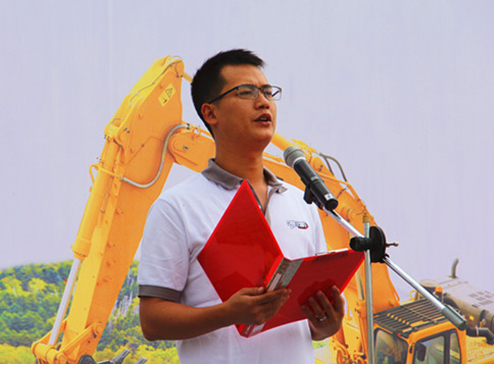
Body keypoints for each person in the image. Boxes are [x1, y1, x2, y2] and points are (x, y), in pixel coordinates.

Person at [137, 49, 345, 363]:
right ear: (211, 113)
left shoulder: (301, 203)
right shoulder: (177, 207)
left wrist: (326, 323)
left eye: (268, 92)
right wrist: (228, 314)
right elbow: (152, 321)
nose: (263, 102)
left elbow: (310, 324)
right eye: (246, 92)